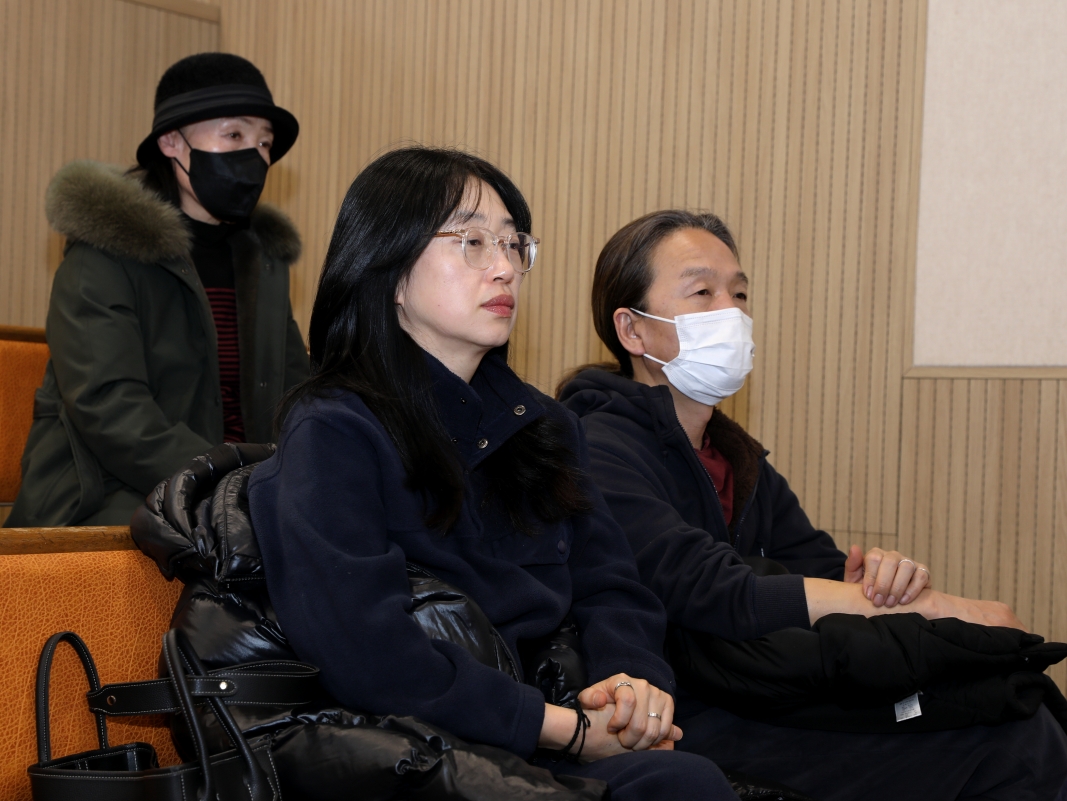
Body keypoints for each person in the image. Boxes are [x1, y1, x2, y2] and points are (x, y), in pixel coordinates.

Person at [247, 148, 736, 800]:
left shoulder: (544, 425)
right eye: (472, 242)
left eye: (513, 244)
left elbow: (612, 586)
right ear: (390, 271)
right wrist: (564, 729)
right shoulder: (334, 429)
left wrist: (630, 684)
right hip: (416, 746)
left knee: (691, 773)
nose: (505, 266)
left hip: (544, 725)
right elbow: (368, 654)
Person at [558, 209, 1067, 800]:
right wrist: (940, 608)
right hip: (686, 709)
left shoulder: (734, 455)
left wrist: (881, 582)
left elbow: (822, 570)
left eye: (739, 294)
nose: (731, 312)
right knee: (1012, 749)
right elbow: (709, 588)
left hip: (771, 684)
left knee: (1019, 710)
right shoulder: (597, 445)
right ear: (633, 330)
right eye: (702, 293)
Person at [7, 53, 309, 527]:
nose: (255, 156)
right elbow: (110, 408)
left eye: (265, 143)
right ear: (171, 142)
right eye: (234, 135)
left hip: (237, 496)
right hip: (108, 493)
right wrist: (228, 485)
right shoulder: (103, 254)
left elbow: (295, 395)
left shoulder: (263, 262)